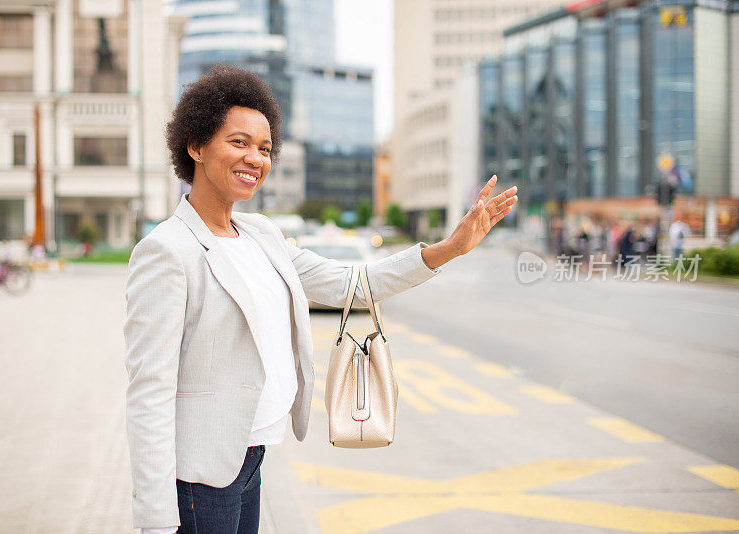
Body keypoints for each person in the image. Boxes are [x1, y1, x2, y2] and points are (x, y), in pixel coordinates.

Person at [123, 64, 518, 534]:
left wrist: (447, 249)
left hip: (250, 457)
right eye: (239, 142)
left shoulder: (262, 235)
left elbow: (354, 283)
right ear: (196, 147)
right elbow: (149, 392)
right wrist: (156, 520)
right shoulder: (167, 251)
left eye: (265, 148)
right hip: (201, 474)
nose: (255, 158)